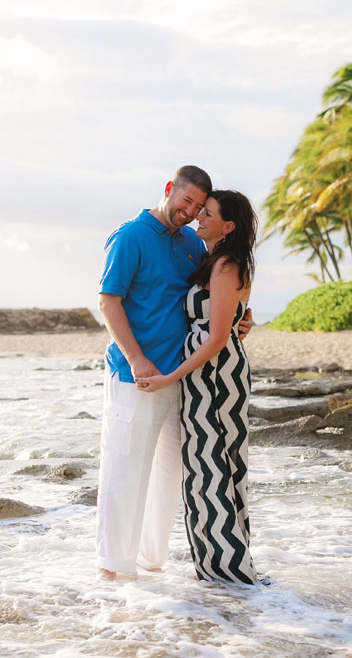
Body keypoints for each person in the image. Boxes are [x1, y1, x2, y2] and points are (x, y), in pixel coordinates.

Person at [96, 166, 252, 580]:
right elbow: (108, 301)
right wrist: (135, 358)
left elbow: (212, 293)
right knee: (125, 470)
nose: (191, 212)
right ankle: (112, 571)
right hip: (139, 376)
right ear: (169, 189)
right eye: (186, 202)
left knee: (167, 479)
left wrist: (243, 315)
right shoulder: (131, 236)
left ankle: (149, 563)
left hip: (183, 378)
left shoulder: (190, 242)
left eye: (200, 207)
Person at [137, 190, 258, 584]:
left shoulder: (226, 264)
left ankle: (229, 571)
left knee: (213, 465)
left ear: (228, 226)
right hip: (209, 371)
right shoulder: (218, 262)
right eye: (199, 212)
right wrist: (243, 319)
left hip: (216, 374)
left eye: (207, 214)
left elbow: (219, 337)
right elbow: (231, 320)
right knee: (210, 465)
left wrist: (170, 377)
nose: (198, 219)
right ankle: (221, 568)